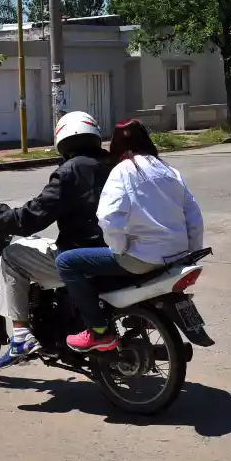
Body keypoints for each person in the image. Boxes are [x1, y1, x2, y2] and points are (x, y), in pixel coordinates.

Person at [0, 111, 112, 369]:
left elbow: (34, 216)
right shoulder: (112, 163)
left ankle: (22, 337)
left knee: (12, 256)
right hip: (113, 250)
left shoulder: (69, 171)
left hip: (80, 253)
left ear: (63, 141)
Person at [55, 119, 205, 353]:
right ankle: (138, 315)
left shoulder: (123, 171)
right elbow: (194, 217)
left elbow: (107, 216)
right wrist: (190, 254)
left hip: (141, 258)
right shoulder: (168, 170)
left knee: (65, 262)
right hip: (175, 256)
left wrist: (119, 248)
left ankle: (99, 331)